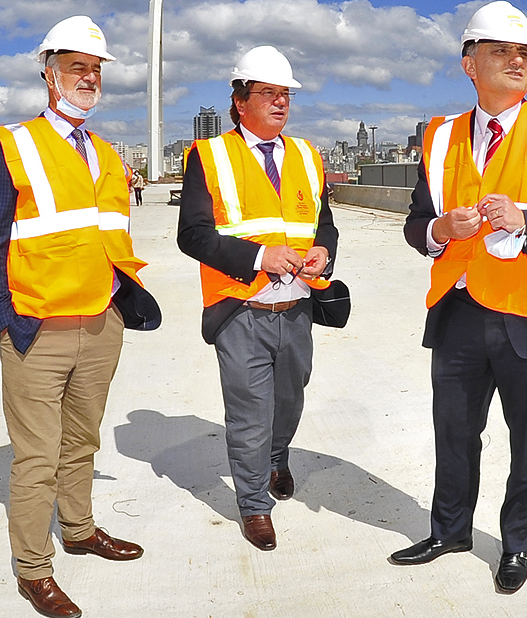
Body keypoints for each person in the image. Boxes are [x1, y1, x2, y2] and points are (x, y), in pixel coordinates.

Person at [391, 0, 527, 594]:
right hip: (459, 308)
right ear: (470, 64)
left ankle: (516, 545)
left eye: (524, 53)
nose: (517, 60)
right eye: (501, 51)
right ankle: (450, 530)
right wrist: (441, 232)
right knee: (454, 432)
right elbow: (418, 223)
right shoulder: (437, 136)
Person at [0, 15, 161, 618]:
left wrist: (120, 301)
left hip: (100, 325)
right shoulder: (16, 144)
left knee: (82, 440)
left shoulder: (106, 155)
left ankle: (78, 531)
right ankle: (34, 570)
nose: (88, 78)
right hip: (36, 329)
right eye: (77, 67)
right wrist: (3, 317)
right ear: (49, 73)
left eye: (95, 69)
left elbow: (107, 235)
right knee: (36, 456)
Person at [177, 45, 338, 551]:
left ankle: (275, 458)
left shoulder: (309, 157)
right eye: (267, 93)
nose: (280, 102)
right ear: (240, 101)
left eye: (285, 94)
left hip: (298, 309)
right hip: (241, 309)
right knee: (249, 410)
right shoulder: (209, 156)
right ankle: (253, 504)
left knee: (288, 401)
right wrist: (257, 257)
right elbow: (193, 235)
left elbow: (324, 224)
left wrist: (323, 254)